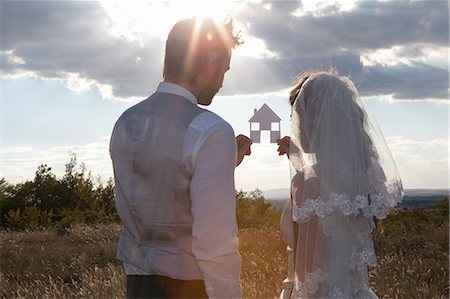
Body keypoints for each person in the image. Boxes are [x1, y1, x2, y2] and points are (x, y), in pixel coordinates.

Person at [110, 17, 251, 299]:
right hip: (190, 287)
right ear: (208, 67)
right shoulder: (211, 130)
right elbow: (214, 243)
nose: (222, 82)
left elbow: (159, 178)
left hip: (138, 285)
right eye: (223, 70)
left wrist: (224, 161)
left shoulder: (126, 122)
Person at [277, 69, 403, 298]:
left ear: (310, 122)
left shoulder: (306, 184)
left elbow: (309, 275)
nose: (293, 124)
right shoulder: (358, 179)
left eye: (296, 116)